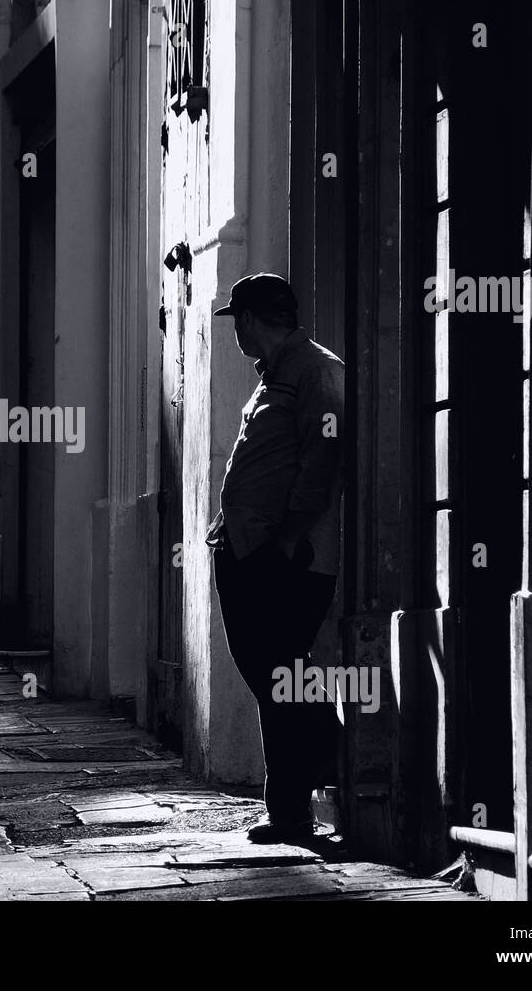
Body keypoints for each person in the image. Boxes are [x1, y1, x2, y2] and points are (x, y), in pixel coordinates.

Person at [205, 273, 346, 845]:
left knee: (281, 673)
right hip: (249, 552)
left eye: (237, 319)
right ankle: (288, 810)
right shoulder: (273, 377)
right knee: (271, 676)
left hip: (286, 557)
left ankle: (327, 754)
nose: (235, 332)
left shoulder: (314, 370)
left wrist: (287, 539)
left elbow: (324, 458)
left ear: (251, 319)